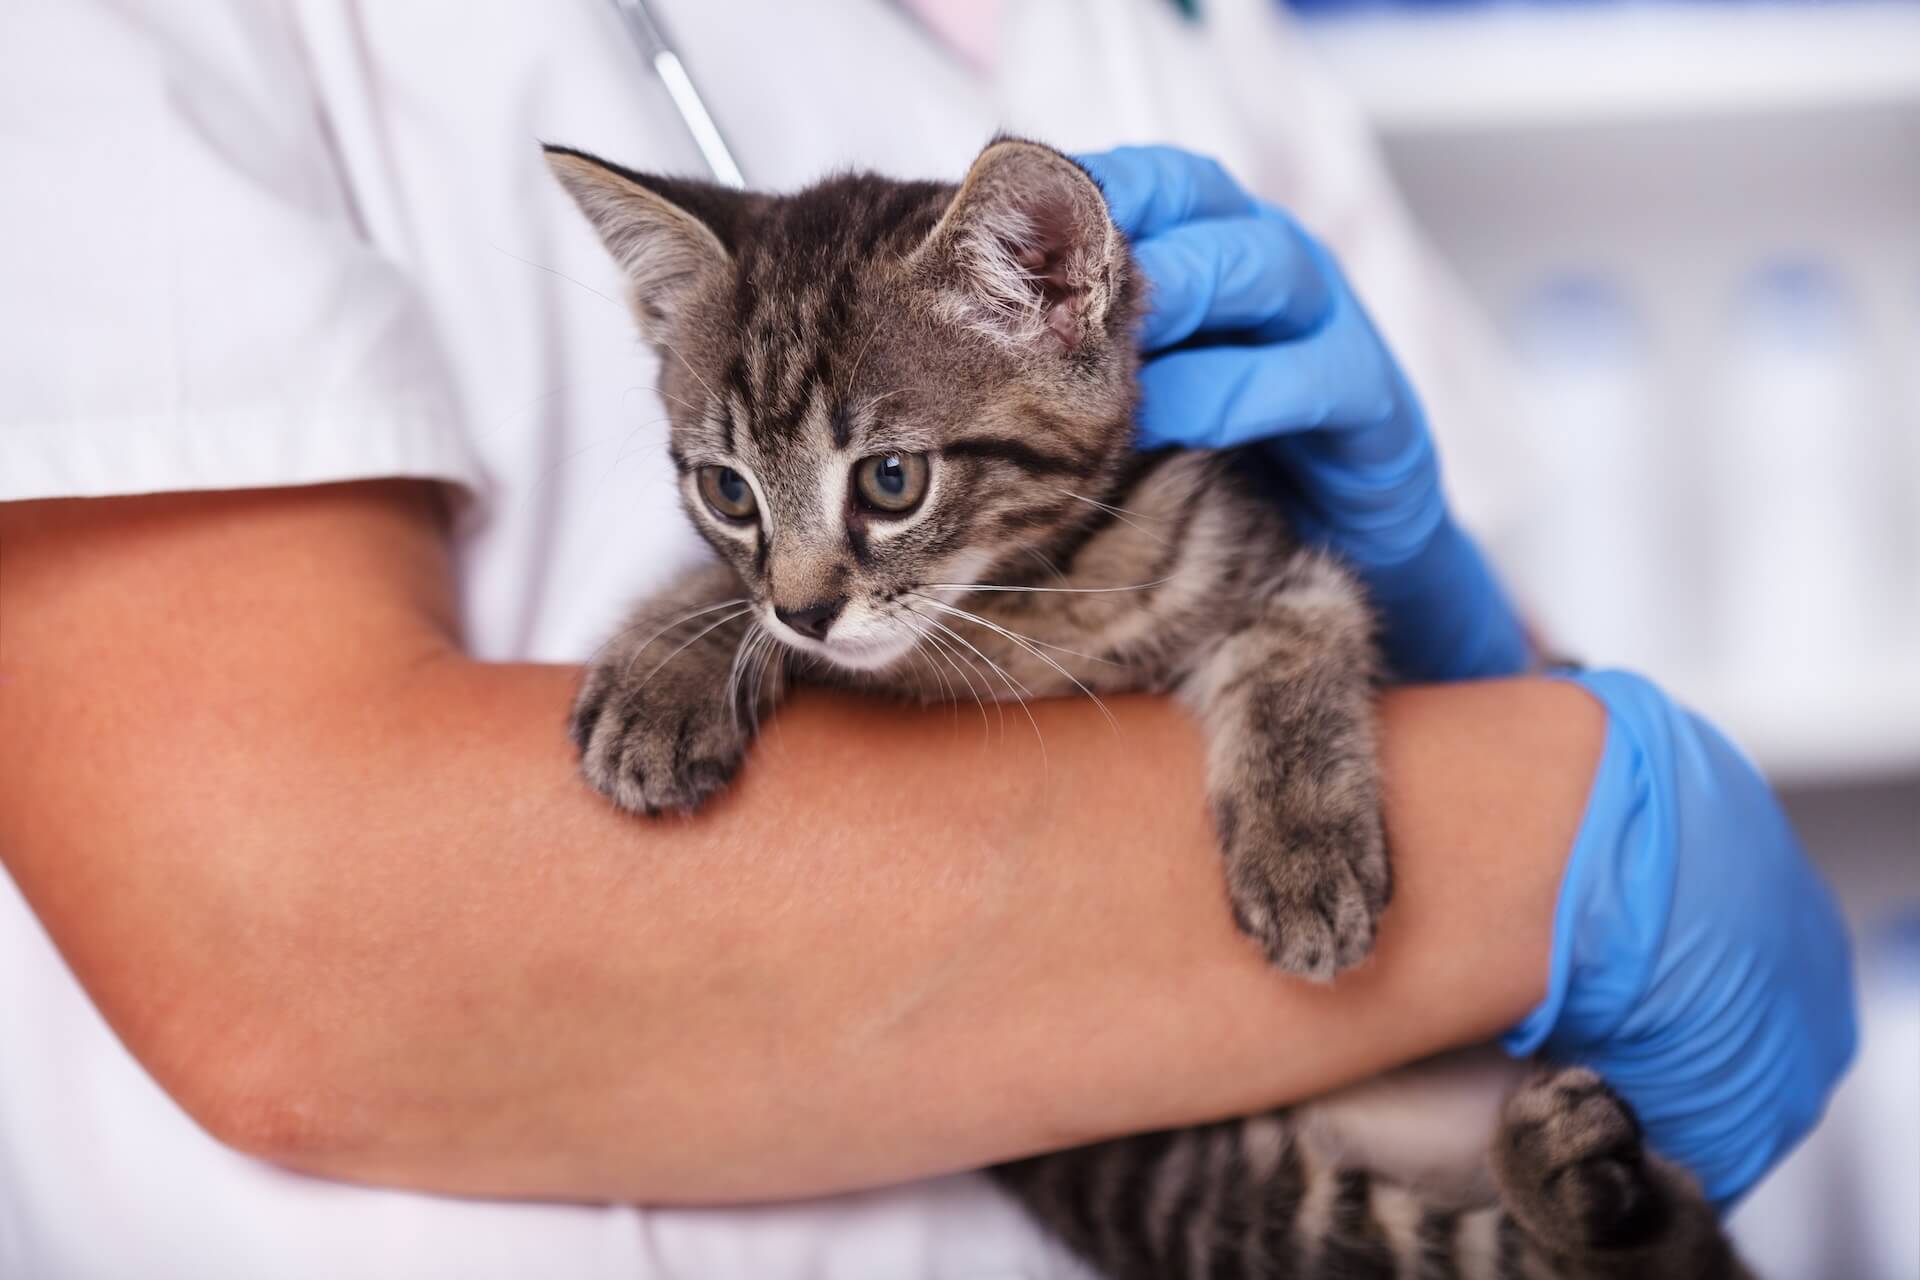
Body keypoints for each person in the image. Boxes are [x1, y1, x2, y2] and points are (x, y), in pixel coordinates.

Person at [0, 2, 1852, 1277]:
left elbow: (1494, 681)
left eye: (858, 506)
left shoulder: (1183, 29)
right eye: (737, 511)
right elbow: (281, 933)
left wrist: (1448, 639)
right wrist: (1557, 839)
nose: (796, 590)